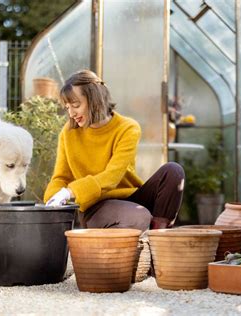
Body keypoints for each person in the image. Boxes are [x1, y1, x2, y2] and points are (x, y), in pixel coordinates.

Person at [44, 70, 184, 231]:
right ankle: (139, 232)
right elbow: (61, 177)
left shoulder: (127, 128)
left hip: (131, 198)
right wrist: (52, 198)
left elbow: (112, 177)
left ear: (94, 99)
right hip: (96, 206)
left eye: (76, 105)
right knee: (139, 216)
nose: (71, 113)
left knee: (173, 171)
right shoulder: (69, 132)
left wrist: (70, 192)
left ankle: (158, 235)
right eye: (67, 107)